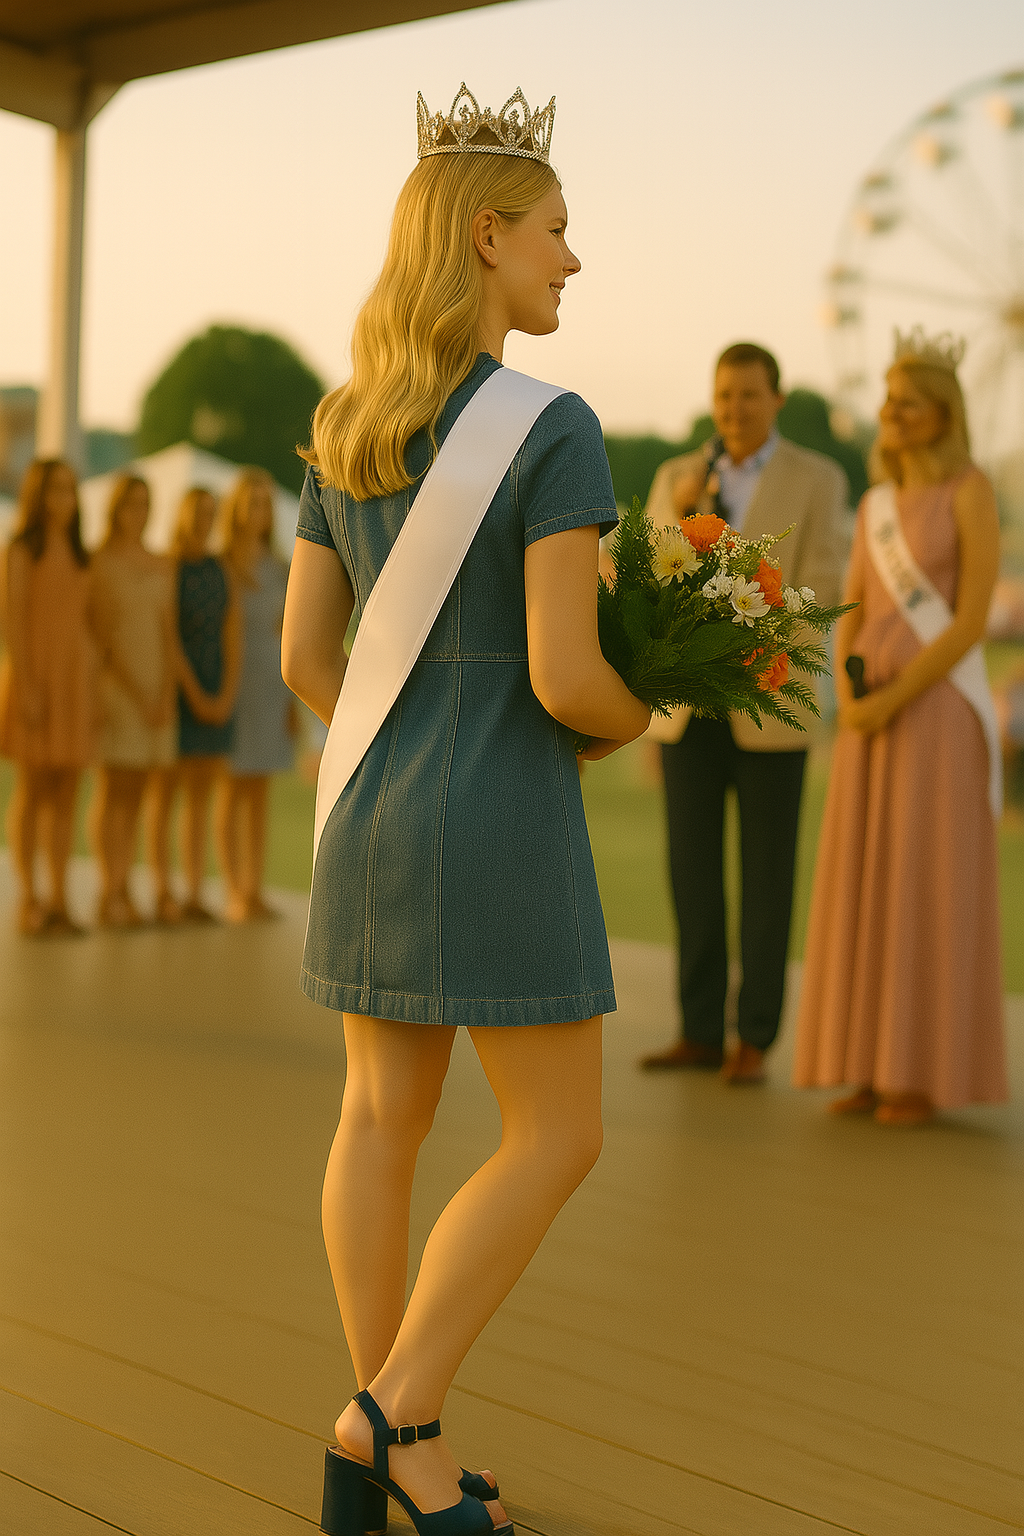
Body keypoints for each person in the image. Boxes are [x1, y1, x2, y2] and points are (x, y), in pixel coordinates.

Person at [281, 84, 650, 1536]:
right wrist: (653, 704)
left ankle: (399, 1432)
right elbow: (569, 678)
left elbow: (311, 662)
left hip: (368, 809)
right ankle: (394, 1411)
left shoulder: (345, 416)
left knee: (380, 1117)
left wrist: (406, 740)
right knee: (559, 1135)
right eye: (556, 232)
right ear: (488, 236)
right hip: (498, 815)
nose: (573, 260)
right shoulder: (550, 427)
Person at [793, 333, 1008, 1125]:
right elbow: (853, 611)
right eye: (886, 400)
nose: (890, 413)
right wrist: (849, 695)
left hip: (937, 714)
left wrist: (891, 701)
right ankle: (868, 1062)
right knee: (868, 882)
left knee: (925, 883)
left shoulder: (971, 491)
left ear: (942, 414)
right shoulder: (876, 504)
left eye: (906, 402)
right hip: (867, 716)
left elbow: (969, 623)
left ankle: (920, 1072)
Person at [640, 343, 847, 1083]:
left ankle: (754, 1037)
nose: (734, 409)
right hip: (689, 711)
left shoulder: (818, 479)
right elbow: (652, 574)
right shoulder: (678, 477)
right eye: (724, 395)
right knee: (690, 874)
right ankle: (697, 1031)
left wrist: (753, 629)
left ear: (777, 399)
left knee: (766, 880)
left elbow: (824, 581)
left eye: (749, 396)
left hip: (770, 707)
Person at [0, 459, 95, 936]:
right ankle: (28, 899)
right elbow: (13, 622)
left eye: (71, 490)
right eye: (57, 490)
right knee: (32, 791)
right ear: (39, 495)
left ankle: (59, 898)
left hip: (74, 683)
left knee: (66, 793)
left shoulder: (80, 552)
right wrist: (29, 687)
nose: (66, 499)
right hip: (35, 680)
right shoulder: (21, 550)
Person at [148, 487, 240, 922]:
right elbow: (169, 638)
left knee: (201, 798)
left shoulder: (222, 568)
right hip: (180, 690)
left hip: (217, 684)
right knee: (165, 794)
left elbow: (231, 633)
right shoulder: (170, 567)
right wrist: (196, 695)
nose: (206, 519)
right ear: (185, 516)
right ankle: (162, 890)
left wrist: (223, 694)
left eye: (211, 512)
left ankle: (194, 892)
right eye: (199, 512)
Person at [89, 474, 177, 926]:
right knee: (115, 788)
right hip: (121, 691)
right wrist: (140, 694)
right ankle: (111, 890)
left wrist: (163, 692)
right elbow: (104, 641)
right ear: (115, 509)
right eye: (130, 504)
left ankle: (129, 885)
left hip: (158, 690)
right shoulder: (101, 563)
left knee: (142, 792)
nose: (137, 512)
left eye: (145, 504)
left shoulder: (161, 563)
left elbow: (168, 634)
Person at [216, 468, 294, 922]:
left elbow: (288, 633)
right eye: (251, 501)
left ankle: (254, 887)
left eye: (265, 503)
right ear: (237, 508)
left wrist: (289, 702)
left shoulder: (281, 566)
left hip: (270, 683)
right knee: (233, 786)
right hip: (234, 682)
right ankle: (232, 889)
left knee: (261, 789)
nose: (259, 510)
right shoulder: (222, 563)